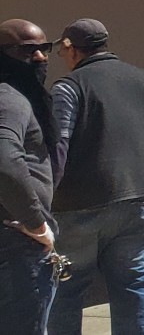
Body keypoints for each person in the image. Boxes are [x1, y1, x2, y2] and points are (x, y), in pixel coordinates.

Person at [48, 19, 144, 335]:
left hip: (79, 206)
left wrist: (43, 204)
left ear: (72, 48)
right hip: (140, 199)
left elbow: (59, 146)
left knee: (66, 291)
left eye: (61, 49)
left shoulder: (68, 88)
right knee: (134, 284)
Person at [0, 20, 57, 335]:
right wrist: (36, 223)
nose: (39, 57)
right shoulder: (9, 100)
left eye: (44, 48)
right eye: (26, 50)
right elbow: (4, 162)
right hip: (17, 239)